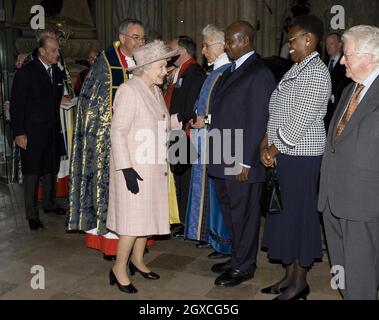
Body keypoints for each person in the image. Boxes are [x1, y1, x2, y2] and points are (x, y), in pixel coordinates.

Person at [106, 40, 197, 293]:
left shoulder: (154, 90)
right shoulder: (129, 90)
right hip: (133, 169)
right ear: (145, 67)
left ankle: (137, 260)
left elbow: (164, 123)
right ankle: (119, 268)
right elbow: (118, 132)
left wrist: (186, 123)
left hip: (154, 167)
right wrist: (126, 169)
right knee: (132, 223)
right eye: (161, 66)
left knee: (145, 220)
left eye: (166, 65)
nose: (165, 70)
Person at [260, 15, 331, 300]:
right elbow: (276, 110)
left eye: (293, 39)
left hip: (301, 157)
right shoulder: (297, 69)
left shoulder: (316, 72)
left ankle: (300, 283)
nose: (288, 45)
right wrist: (264, 144)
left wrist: (273, 149)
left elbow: (300, 120)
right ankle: (289, 275)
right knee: (284, 216)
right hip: (284, 154)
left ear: (308, 39)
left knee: (299, 218)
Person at [67, 19, 146, 260]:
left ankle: (136, 240)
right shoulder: (105, 65)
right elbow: (92, 106)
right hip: (109, 143)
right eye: (136, 37)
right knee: (112, 193)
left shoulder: (143, 62)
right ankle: (113, 244)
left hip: (139, 142)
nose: (140, 42)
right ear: (122, 38)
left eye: (143, 38)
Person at [207, 21, 276, 287]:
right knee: (231, 212)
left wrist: (246, 161)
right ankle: (237, 256)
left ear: (244, 41)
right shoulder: (234, 69)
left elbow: (259, 120)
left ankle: (244, 266)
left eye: (230, 41)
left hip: (240, 158)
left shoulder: (259, 72)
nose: (227, 46)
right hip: (224, 151)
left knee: (244, 215)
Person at [318, 25, 379, 300]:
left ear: (372, 56)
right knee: (340, 269)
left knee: (362, 274)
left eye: (349, 54)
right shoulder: (349, 90)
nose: (342, 60)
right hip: (334, 198)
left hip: (364, 204)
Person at [184, 24, 232, 259]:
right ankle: (209, 235)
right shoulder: (214, 72)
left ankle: (223, 241)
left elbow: (227, 110)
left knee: (218, 191)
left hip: (219, 139)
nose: (203, 50)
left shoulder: (227, 72)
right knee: (207, 190)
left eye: (206, 45)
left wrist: (207, 120)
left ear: (222, 46)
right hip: (204, 138)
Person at [10, 36, 66, 230]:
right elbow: (17, 106)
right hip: (32, 132)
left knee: (51, 168)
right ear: (42, 52)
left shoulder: (57, 73)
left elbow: (54, 100)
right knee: (32, 174)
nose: (57, 54)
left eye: (57, 50)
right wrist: (19, 133)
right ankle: (32, 214)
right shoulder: (26, 73)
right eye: (53, 50)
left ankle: (50, 204)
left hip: (52, 131)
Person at [165, 36, 206, 237]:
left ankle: (184, 221)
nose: (168, 53)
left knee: (184, 178)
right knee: (178, 176)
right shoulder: (180, 71)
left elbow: (193, 106)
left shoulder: (194, 72)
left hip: (183, 132)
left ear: (182, 51)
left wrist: (174, 118)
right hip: (175, 131)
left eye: (171, 49)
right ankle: (178, 220)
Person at [324, 33, 351, 131]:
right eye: (326, 44)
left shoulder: (346, 65)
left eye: (331, 43)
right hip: (323, 110)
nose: (328, 47)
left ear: (340, 45)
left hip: (337, 109)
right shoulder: (323, 63)